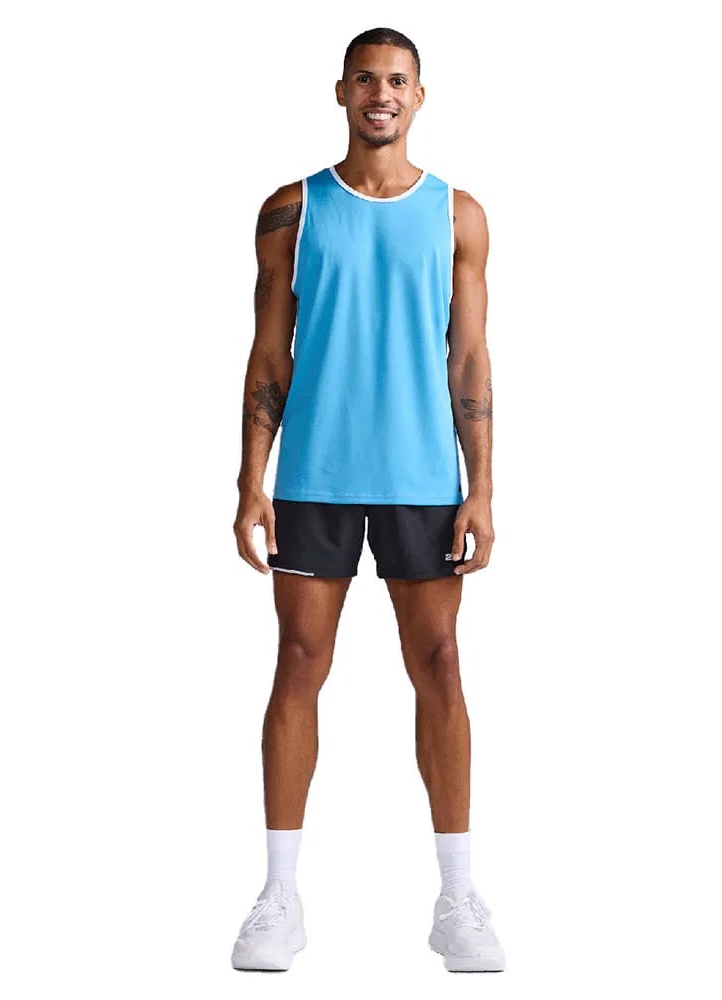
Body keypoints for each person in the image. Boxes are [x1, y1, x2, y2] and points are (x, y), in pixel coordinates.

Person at [231, 27, 504, 973]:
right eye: (366, 79)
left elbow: (469, 359)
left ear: (418, 96)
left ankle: (457, 899)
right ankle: (278, 898)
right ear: (342, 92)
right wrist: (250, 480)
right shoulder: (291, 209)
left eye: (397, 80)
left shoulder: (459, 214)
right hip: (315, 475)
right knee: (298, 664)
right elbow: (269, 354)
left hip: (424, 479)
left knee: (441, 666)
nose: (381, 93)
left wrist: (482, 489)